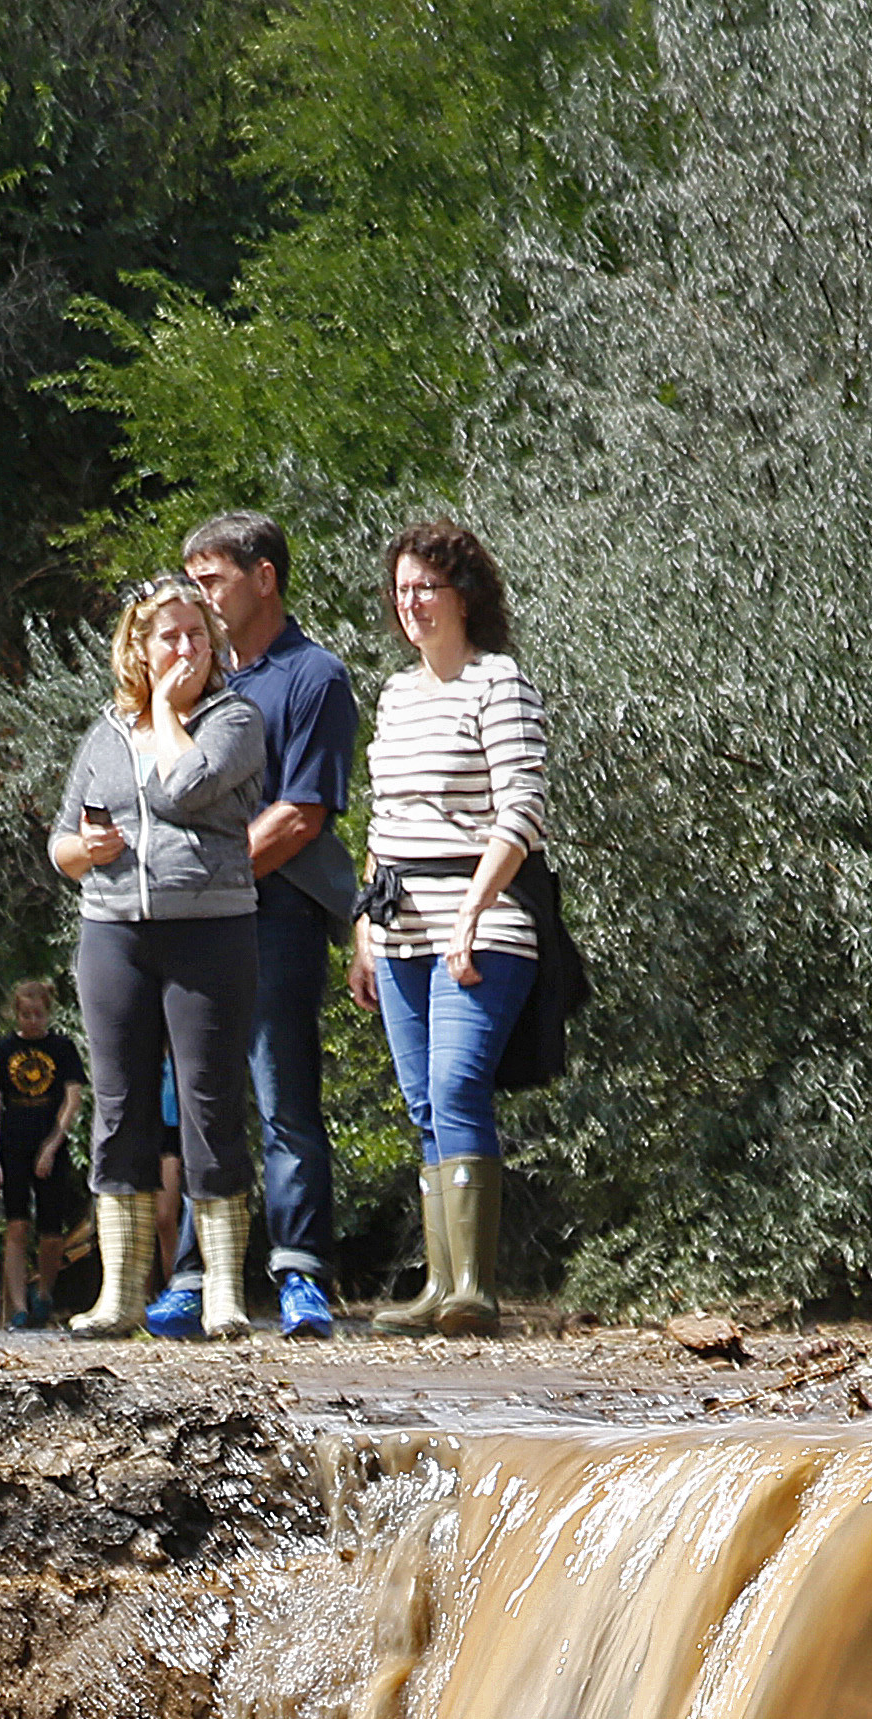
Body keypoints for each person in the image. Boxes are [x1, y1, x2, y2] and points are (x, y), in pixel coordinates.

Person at [49, 579, 267, 1340]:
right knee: (118, 1111)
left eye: (197, 637)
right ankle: (118, 1296)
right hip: (113, 932)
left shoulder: (233, 719)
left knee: (210, 1106)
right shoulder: (104, 733)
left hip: (211, 931)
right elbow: (60, 844)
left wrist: (170, 710)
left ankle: (224, 1295)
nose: (185, 649)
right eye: (168, 638)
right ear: (137, 649)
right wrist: (88, 849)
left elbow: (186, 784)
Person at [353, 520, 544, 1338]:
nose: (411, 603)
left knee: (459, 1083)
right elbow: (382, 822)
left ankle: (474, 1288)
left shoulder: (500, 685)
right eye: (401, 590)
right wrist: (362, 932)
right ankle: (439, 1286)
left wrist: (470, 911)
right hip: (397, 923)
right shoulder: (396, 695)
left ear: (463, 594)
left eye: (425, 586)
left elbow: (523, 810)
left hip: (485, 915)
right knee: (423, 1099)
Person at [185, 509, 360, 1340]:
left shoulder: (315, 677)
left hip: (275, 917)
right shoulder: (197, 682)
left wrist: (204, 879)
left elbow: (302, 816)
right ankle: (197, 1278)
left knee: (283, 1100)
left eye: (212, 579)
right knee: (195, 1103)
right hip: (191, 928)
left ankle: (300, 1279)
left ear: (265, 577)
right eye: (192, 584)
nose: (202, 599)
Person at [0, 975, 88, 1326]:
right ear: (16, 1014)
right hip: (13, 1145)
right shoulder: (2, 1052)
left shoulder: (62, 1049)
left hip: (50, 1144)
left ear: (48, 1013)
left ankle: (44, 1292)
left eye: (38, 1014)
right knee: (16, 1226)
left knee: (51, 1230)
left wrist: (52, 1144)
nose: (32, 1021)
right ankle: (18, 1308)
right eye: (25, 1014)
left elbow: (73, 1100)